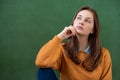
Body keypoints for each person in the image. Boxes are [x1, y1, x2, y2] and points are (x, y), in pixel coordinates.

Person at [35, 6, 112, 80]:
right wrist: (60, 36)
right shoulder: (63, 50)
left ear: (93, 30)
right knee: (43, 71)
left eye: (87, 20)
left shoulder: (104, 55)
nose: (81, 22)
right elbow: (41, 62)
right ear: (73, 22)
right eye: (79, 18)